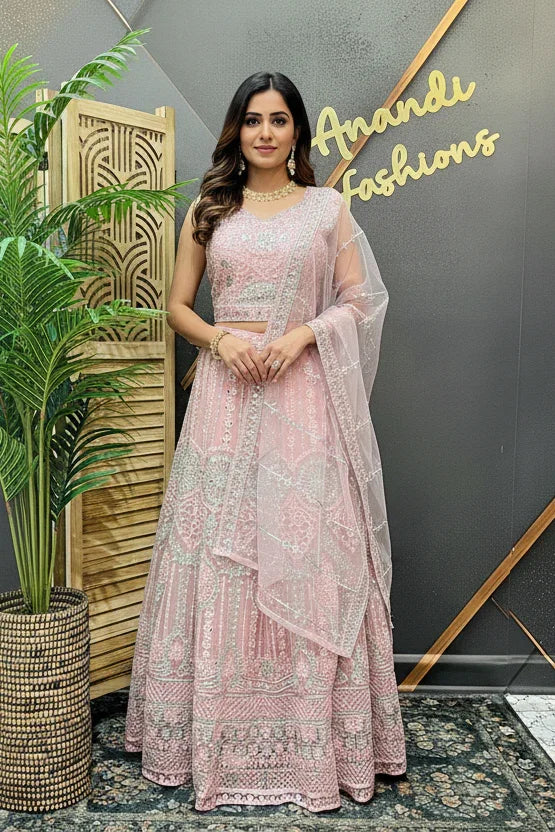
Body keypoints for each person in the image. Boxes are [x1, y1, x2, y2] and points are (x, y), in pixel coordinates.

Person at [124, 70, 407, 813]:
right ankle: (217, 736)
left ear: (297, 133)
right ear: (235, 131)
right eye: (252, 120)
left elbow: (360, 301)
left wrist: (303, 336)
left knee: (305, 552)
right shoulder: (209, 210)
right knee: (222, 555)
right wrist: (221, 340)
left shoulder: (326, 209)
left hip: (302, 399)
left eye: (279, 120)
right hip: (225, 399)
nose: (265, 133)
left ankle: (311, 738)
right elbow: (176, 308)